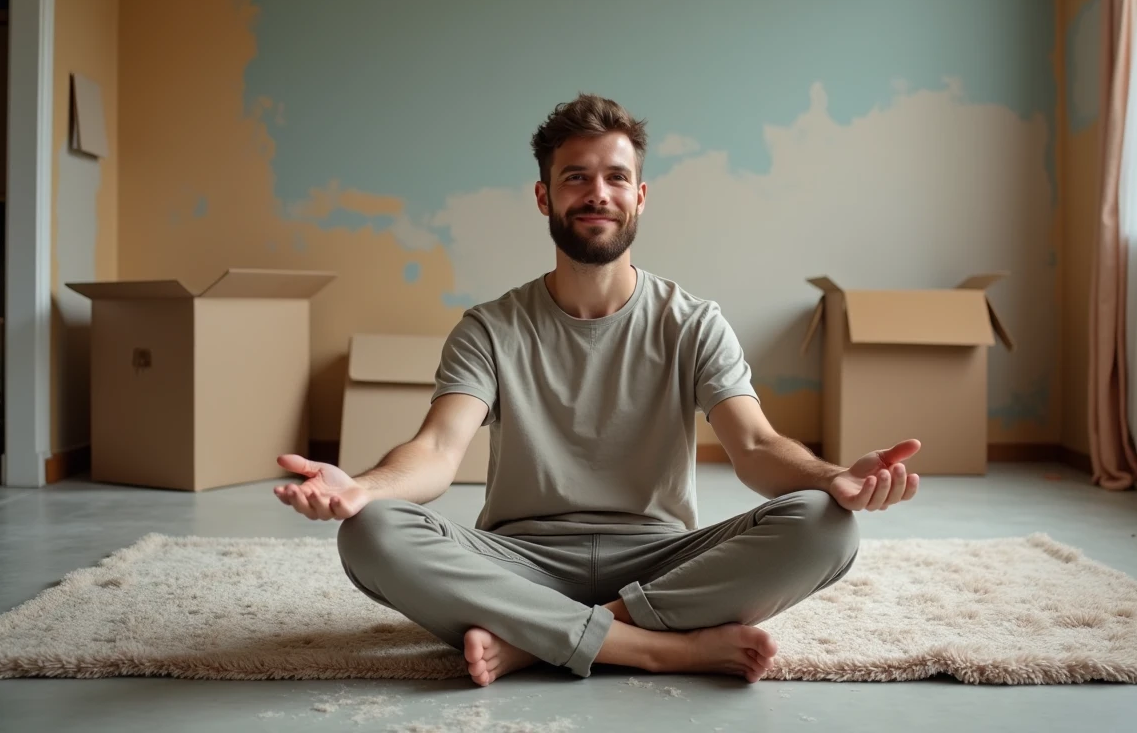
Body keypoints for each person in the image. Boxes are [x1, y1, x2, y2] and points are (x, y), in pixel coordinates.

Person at [273, 93, 921, 687]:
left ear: (640, 196)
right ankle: (657, 648)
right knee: (370, 531)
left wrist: (835, 477)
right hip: (519, 559)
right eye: (575, 177)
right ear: (543, 196)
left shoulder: (694, 322)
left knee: (826, 526)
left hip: (662, 560)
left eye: (615, 177)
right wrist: (362, 489)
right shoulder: (490, 327)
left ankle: (537, 640)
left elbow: (754, 445)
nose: (597, 193)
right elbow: (438, 450)